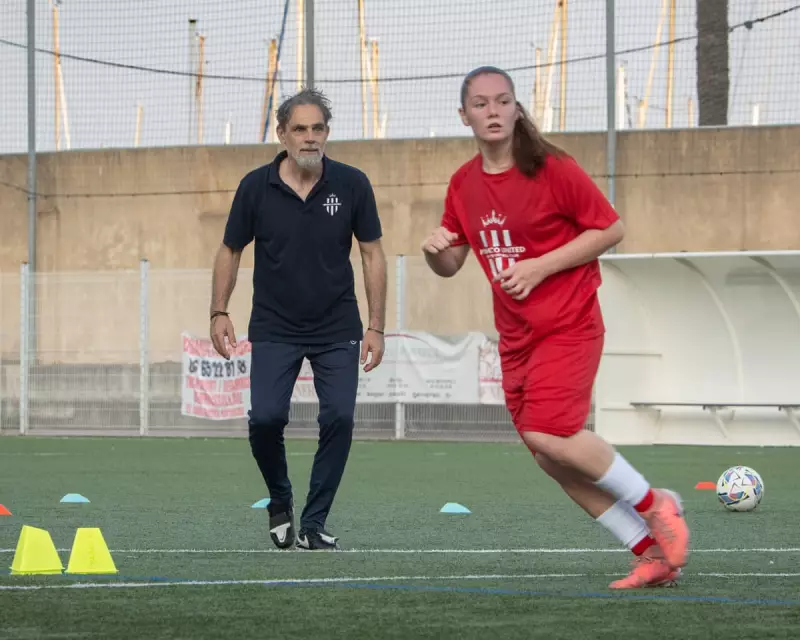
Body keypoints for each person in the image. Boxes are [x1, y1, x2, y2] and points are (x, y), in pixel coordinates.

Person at [421, 66, 690, 589]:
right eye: (481, 104)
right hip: (516, 338)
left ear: (517, 109)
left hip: (569, 324)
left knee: (553, 432)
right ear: (465, 116)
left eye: (503, 101)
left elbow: (611, 227)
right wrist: (434, 254)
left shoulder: (552, 168)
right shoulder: (464, 183)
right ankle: (649, 550)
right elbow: (452, 264)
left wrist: (540, 266)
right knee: (546, 455)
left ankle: (657, 504)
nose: (493, 111)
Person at [210, 88, 387, 551]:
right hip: (274, 325)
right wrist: (219, 311)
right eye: (300, 129)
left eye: (318, 129)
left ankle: (314, 522)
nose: (310, 138)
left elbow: (372, 254)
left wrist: (376, 326)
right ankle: (280, 499)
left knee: (340, 418)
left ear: (327, 133)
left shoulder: (352, 184)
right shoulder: (255, 186)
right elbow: (230, 249)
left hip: (337, 329)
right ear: (282, 133)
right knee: (266, 418)